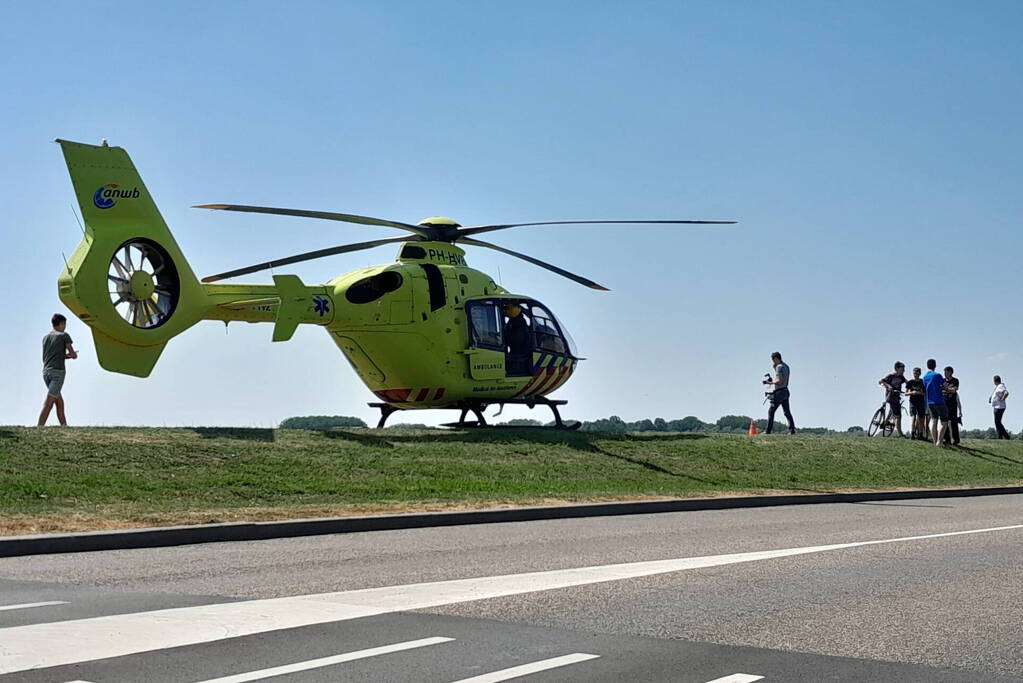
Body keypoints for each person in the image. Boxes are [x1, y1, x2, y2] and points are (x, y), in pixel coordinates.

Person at [38, 313, 78, 427]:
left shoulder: (45, 338)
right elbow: (72, 353)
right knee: (49, 402)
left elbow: (47, 356)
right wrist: (73, 355)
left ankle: (64, 426)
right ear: (61, 324)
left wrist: (65, 356)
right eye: (64, 324)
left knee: (59, 401)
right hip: (58, 372)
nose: (65, 327)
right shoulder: (64, 336)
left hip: (46, 372)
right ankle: (39, 427)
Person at [764, 351, 795, 434]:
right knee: (787, 412)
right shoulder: (786, 366)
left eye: (773, 360)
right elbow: (783, 378)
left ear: (776, 358)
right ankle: (792, 430)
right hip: (786, 391)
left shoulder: (779, 367)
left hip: (779, 392)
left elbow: (779, 381)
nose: (773, 362)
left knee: (771, 411)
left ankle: (768, 431)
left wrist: (769, 383)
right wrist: (774, 368)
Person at [922, 359, 948, 446]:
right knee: (944, 421)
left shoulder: (924, 377)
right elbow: (945, 387)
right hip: (939, 401)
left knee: (934, 421)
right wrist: (946, 389)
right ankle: (939, 441)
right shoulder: (938, 375)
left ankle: (934, 441)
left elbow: (924, 390)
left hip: (930, 402)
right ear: (935, 365)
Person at [879, 361, 907, 437]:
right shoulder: (891, 376)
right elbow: (881, 381)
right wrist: (888, 386)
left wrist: (908, 389)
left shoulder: (902, 377)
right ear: (897, 369)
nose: (904, 371)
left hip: (897, 397)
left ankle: (886, 422)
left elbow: (907, 383)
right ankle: (900, 433)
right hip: (890, 396)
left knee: (893, 411)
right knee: (898, 415)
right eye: (902, 369)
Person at [503, 302, 531, 376]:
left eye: (507, 308)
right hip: (515, 354)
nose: (505, 311)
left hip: (520, 356)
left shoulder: (519, 323)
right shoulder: (512, 322)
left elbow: (516, 340)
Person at [905, 367, 928, 440]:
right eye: (915, 373)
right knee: (913, 417)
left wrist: (920, 393)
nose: (916, 374)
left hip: (921, 402)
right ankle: (912, 433)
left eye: (917, 373)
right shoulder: (910, 382)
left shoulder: (922, 382)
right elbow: (905, 393)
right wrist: (912, 392)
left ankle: (920, 434)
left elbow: (925, 393)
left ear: (920, 373)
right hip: (913, 402)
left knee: (921, 418)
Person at [941, 366, 961, 445]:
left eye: (946, 372)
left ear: (951, 372)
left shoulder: (955, 380)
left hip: (953, 404)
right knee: (945, 422)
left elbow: (954, 390)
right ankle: (947, 439)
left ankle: (956, 439)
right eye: (944, 372)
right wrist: (947, 390)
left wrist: (946, 389)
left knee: (953, 422)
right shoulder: (942, 381)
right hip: (944, 403)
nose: (945, 374)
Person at [991, 375, 1010, 439]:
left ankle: (1006, 436)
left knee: (997, 422)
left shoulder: (1001, 386)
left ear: (995, 381)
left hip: (999, 407)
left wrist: (1002, 398)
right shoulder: (998, 386)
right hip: (997, 406)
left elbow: (1006, 393)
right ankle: (1000, 437)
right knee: (997, 422)